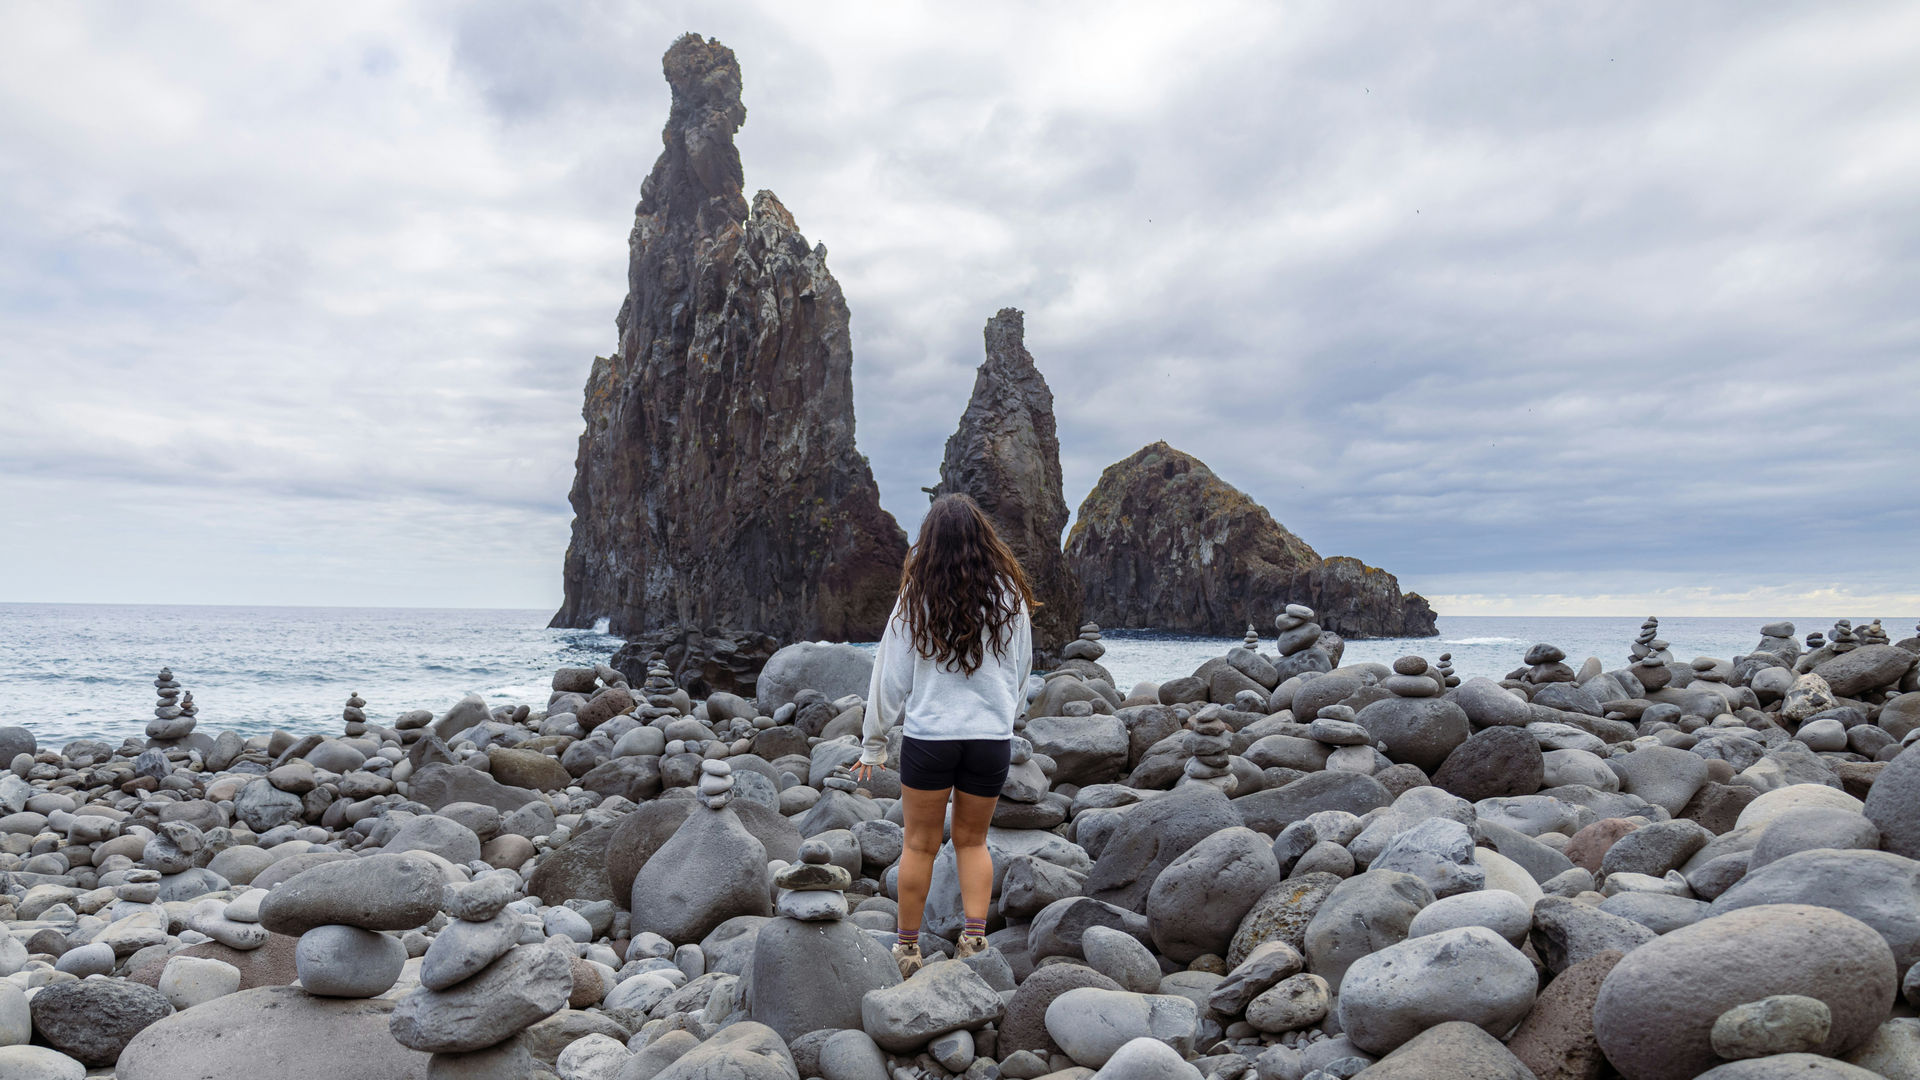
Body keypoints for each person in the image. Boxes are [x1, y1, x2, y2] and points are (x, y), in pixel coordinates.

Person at [852, 493, 1034, 977]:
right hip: (989, 741)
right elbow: (1022, 669)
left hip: (930, 739)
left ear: (929, 543)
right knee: (973, 843)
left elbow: (889, 678)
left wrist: (874, 742)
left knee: (918, 845)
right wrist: (1005, 718)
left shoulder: (915, 599)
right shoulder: (1010, 597)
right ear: (984, 539)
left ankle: (906, 949)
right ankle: (974, 941)